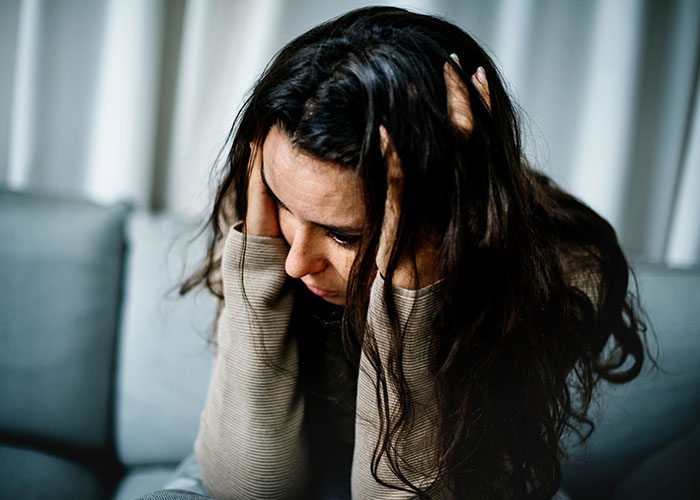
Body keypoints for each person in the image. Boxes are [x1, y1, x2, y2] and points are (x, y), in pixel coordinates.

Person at [176, 6, 647, 500]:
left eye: (344, 236)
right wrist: (256, 269)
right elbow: (245, 489)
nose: (295, 263)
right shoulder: (264, 217)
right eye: (284, 202)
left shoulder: (563, 268)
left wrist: (416, 282)